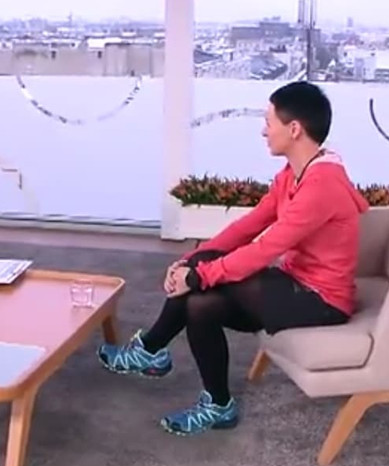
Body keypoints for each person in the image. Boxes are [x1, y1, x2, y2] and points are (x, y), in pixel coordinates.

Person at [97, 81, 369, 436]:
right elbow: (250, 225)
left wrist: (197, 276)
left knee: (202, 284)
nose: (263, 131)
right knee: (201, 304)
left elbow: (267, 247)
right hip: (294, 283)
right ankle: (216, 403)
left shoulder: (322, 184)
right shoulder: (294, 174)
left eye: (268, 122)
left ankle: (152, 351)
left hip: (322, 300)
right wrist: (192, 259)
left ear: (294, 129)